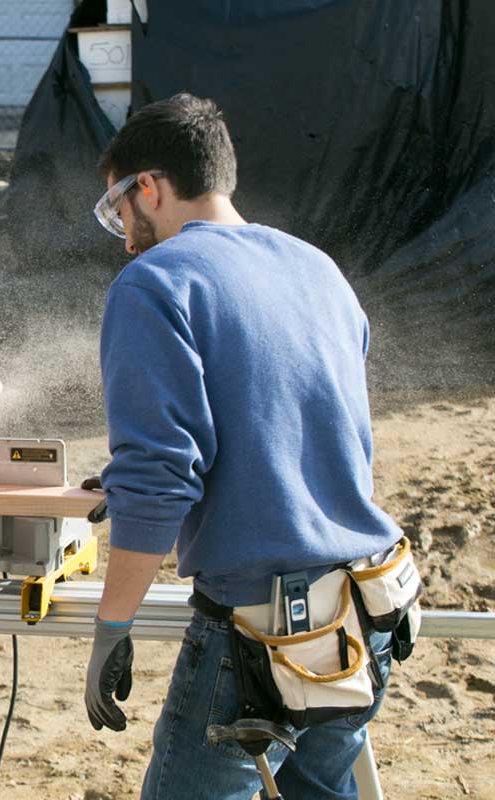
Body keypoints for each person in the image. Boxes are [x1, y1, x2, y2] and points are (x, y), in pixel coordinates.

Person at [83, 93, 404, 799]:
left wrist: (112, 625)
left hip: (260, 632)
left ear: (150, 187)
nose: (126, 234)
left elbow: (162, 474)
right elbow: (300, 425)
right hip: (364, 608)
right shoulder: (317, 268)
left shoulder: (154, 282)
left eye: (120, 209)